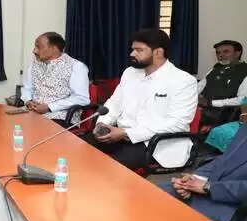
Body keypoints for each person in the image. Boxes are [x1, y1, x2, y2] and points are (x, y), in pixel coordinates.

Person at [86, 29, 198, 170]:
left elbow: (177, 124)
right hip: (119, 134)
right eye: (133, 49)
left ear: (158, 52)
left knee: (107, 169)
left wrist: (127, 134)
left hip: (155, 143)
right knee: (80, 149)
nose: (132, 54)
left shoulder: (183, 80)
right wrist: (102, 124)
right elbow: (114, 104)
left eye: (139, 50)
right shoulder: (130, 73)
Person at [162, 113, 247, 221]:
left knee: (171, 220)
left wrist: (208, 188)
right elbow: (225, 159)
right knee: (155, 194)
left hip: (237, 209)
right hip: (212, 187)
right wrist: (193, 180)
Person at [20, 32, 90, 128]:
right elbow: (27, 88)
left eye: (38, 47)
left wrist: (49, 107)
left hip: (60, 117)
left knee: (36, 131)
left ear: (54, 48)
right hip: (32, 113)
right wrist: (28, 101)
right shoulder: (34, 65)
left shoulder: (76, 66)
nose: (34, 51)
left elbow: (82, 98)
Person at [198, 40, 247, 125]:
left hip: (224, 113)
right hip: (203, 108)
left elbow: (242, 100)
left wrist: (210, 103)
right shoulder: (215, 68)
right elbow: (199, 87)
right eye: (218, 53)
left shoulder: (244, 71)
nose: (220, 55)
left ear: (237, 53)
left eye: (226, 51)